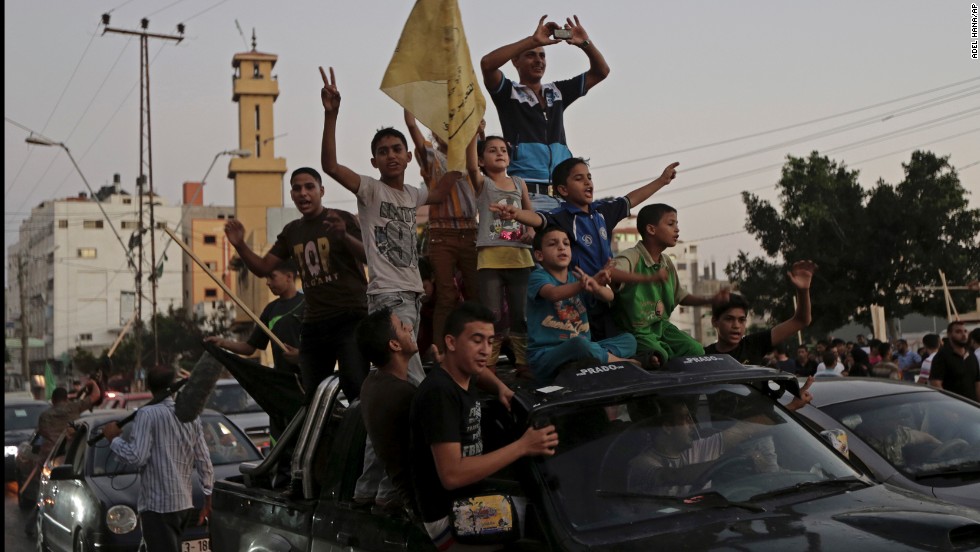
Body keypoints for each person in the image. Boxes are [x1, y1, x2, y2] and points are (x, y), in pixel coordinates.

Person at [319, 65, 458, 386]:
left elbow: (438, 192)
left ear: (408, 156)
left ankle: (382, 432)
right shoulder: (370, 189)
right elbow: (330, 166)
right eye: (383, 152)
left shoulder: (413, 194)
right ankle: (429, 425)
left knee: (390, 374)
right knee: (410, 375)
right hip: (388, 296)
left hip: (412, 296)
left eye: (397, 150)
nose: (391, 156)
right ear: (374, 162)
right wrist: (331, 115)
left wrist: (464, 154)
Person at [410, 302, 558, 551]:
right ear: (451, 342)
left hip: (474, 497)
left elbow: (481, 374)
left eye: (490, 342)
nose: (485, 351)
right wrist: (523, 446)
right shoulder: (439, 394)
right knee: (547, 528)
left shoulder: (461, 374)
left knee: (556, 506)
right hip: (452, 516)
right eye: (477, 340)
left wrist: (501, 387)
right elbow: (452, 475)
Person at [224, 167, 369, 403]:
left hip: (350, 318)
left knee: (355, 387)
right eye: (297, 188)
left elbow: (368, 257)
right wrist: (240, 245)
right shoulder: (292, 232)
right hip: (314, 323)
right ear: (291, 194)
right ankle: (323, 437)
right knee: (312, 395)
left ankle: (361, 438)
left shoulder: (340, 219)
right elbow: (262, 267)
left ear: (321, 191)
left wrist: (344, 237)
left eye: (309, 187)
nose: (303, 193)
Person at [493, 157, 679, 340]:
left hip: (604, 295)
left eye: (589, 177)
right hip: (577, 299)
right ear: (563, 190)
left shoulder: (603, 212)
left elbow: (631, 199)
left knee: (625, 341)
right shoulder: (561, 216)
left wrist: (662, 181)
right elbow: (537, 219)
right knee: (584, 344)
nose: (587, 182)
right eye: (579, 178)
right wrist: (516, 214)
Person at [481, 15, 610, 212]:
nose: (538, 60)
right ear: (515, 61)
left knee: (562, 244)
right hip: (527, 195)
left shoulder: (557, 92)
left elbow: (601, 71)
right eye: (531, 55)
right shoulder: (508, 93)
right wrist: (533, 40)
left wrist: (585, 43)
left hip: (564, 196)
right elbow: (487, 63)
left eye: (542, 56)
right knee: (531, 243)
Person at [627, 378, 813, 496]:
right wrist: (729, 460)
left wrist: (792, 406)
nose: (693, 424)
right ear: (667, 427)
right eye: (685, 419)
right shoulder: (641, 464)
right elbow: (670, 476)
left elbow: (744, 429)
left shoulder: (698, 448)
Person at [102, 365, 213, 552]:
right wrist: (208, 497)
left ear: (149, 387)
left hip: (158, 508)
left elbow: (136, 457)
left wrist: (114, 440)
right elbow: (204, 460)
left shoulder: (147, 414)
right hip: (183, 505)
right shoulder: (190, 416)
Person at [608, 204, 728, 368]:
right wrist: (648, 278)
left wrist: (710, 300)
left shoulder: (667, 262)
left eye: (677, 224)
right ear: (651, 229)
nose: (677, 229)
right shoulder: (632, 256)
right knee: (660, 356)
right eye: (671, 224)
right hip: (635, 332)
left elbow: (681, 296)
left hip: (661, 327)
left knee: (696, 350)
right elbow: (610, 272)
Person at [405, 110, 480, 349]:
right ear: (436, 135)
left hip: (470, 231)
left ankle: (479, 346)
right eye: (445, 128)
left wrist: (475, 126)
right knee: (446, 295)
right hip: (442, 234)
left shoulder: (471, 159)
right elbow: (413, 129)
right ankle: (440, 351)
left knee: (477, 292)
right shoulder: (433, 158)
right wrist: (410, 108)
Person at [205, 260, 304, 441]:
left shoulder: (308, 305)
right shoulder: (271, 309)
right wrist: (222, 343)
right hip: (280, 384)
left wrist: (301, 356)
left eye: (272, 277)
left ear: (289, 277)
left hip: (306, 384)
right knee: (282, 435)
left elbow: (321, 347)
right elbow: (250, 348)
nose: (267, 282)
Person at [526, 225, 637, 383]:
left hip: (582, 348)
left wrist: (597, 286)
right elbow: (553, 294)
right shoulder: (538, 276)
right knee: (580, 344)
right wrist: (584, 284)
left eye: (566, 243)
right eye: (553, 244)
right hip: (546, 356)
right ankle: (620, 363)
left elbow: (609, 296)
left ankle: (588, 360)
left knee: (629, 340)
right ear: (539, 255)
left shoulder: (577, 277)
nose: (561, 247)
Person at [466, 131, 534, 376]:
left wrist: (531, 233)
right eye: (492, 150)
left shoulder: (519, 183)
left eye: (503, 150)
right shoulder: (483, 183)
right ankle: (490, 365)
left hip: (519, 257)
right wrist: (474, 133)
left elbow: (531, 216)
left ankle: (523, 362)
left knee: (521, 314)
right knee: (491, 314)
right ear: (482, 160)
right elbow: (470, 165)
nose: (499, 153)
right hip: (490, 258)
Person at [352, 307, 419, 515]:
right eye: (401, 326)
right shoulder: (404, 394)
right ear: (394, 344)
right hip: (416, 508)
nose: (409, 327)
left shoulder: (371, 384)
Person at [24, 380, 102, 536]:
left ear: (53, 400)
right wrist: (92, 381)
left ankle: (34, 524)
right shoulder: (74, 407)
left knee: (45, 494)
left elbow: (41, 437)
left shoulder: (45, 416)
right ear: (66, 398)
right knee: (67, 493)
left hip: (50, 460)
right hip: (70, 458)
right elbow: (96, 396)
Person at [703, 261, 816, 366]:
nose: (736, 326)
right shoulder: (703, 357)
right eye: (729, 319)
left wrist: (803, 291)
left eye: (741, 320)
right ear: (715, 321)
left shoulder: (754, 344)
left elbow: (801, 321)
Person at [928, 320, 980, 401]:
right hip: (953, 408)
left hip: (972, 408)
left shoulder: (971, 356)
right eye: (958, 332)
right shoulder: (941, 357)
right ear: (949, 334)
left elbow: (977, 383)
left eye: (965, 331)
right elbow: (936, 384)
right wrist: (948, 408)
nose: (963, 335)